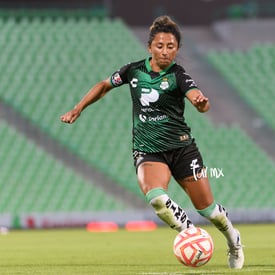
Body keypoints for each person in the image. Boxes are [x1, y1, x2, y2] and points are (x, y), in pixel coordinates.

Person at [60, 15, 244, 269]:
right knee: (157, 198)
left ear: (177, 49)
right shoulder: (133, 70)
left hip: (182, 149)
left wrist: (202, 103)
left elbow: (197, 98)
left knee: (208, 210)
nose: (165, 51)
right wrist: (78, 108)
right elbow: (104, 85)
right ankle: (190, 234)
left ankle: (233, 239)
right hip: (148, 150)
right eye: (160, 46)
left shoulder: (179, 75)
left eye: (171, 47)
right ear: (150, 47)